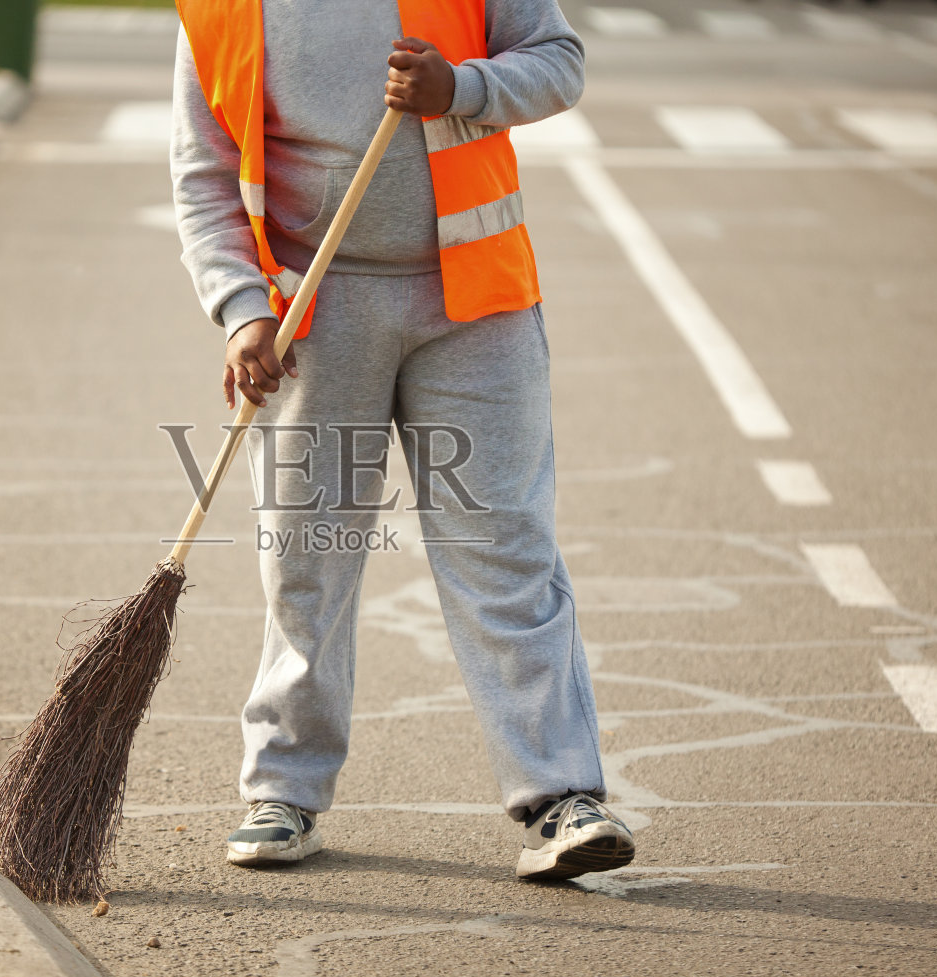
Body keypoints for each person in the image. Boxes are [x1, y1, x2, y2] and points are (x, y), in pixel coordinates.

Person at [170, 0, 635, 881]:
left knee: (502, 547)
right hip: (314, 317)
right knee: (307, 557)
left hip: (476, 309)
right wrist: (240, 309)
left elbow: (558, 62)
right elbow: (205, 174)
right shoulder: (223, 6)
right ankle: (283, 793)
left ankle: (561, 796)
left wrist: (461, 88)